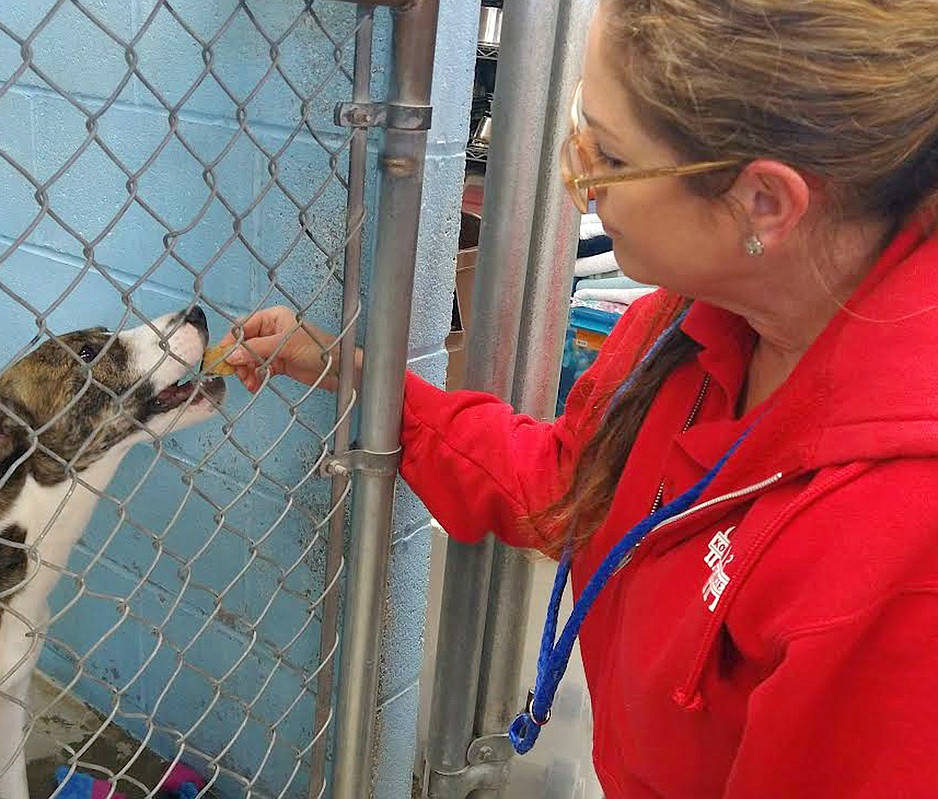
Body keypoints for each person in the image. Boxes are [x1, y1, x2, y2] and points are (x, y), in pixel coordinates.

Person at [217, 0, 938, 795]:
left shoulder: (898, 551)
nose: (579, 181)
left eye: (611, 156)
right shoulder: (688, 324)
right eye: (578, 128)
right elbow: (572, 483)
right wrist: (347, 367)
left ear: (765, 203)